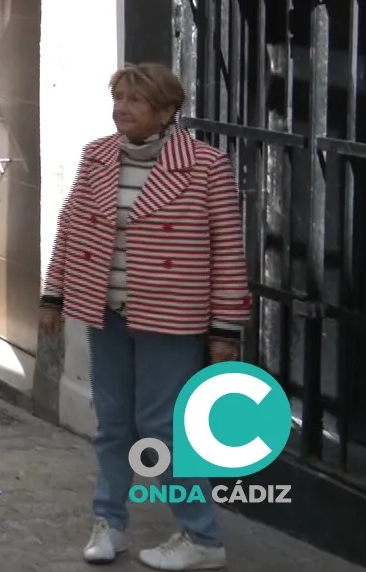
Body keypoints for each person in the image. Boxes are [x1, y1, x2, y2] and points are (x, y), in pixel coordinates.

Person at [39, 62, 249, 571]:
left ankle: (203, 537)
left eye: (134, 100)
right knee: (113, 423)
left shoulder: (206, 165)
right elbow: (70, 227)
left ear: (166, 110)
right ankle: (109, 522)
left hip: (172, 317)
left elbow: (227, 250)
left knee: (161, 426)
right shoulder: (98, 156)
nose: (122, 109)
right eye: (118, 98)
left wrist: (225, 329)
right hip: (105, 309)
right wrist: (54, 295)